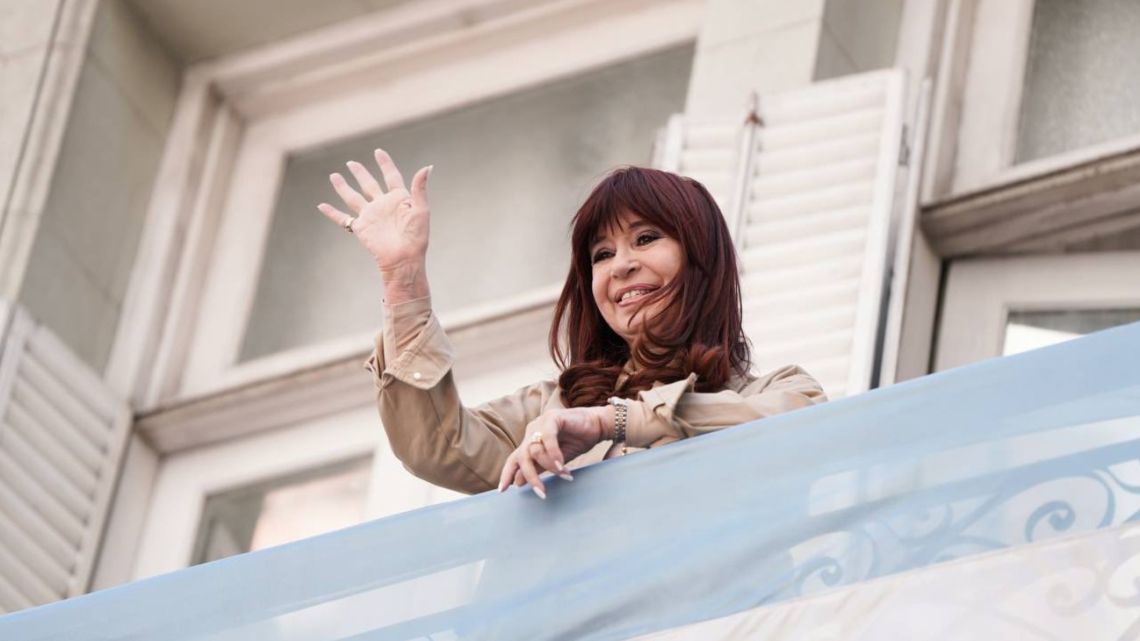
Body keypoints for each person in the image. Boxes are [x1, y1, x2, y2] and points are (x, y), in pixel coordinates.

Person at [318, 149, 826, 498]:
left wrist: (612, 421)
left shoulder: (783, 391)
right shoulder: (547, 407)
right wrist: (403, 280)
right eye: (601, 254)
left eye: (646, 238)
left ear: (703, 258)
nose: (620, 265)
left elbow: (799, 429)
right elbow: (437, 447)